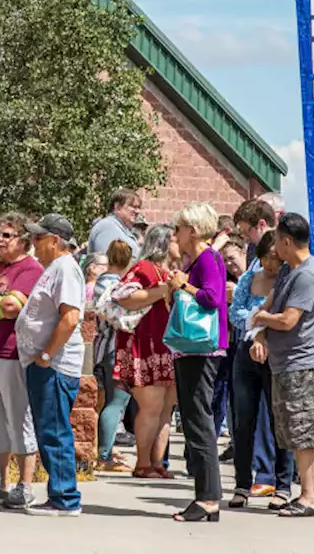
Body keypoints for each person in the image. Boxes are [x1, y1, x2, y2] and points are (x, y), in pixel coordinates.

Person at [251, 213, 314, 517]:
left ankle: (310, 495)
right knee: (290, 430)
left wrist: (260, 319)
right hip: (284, 365)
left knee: (302, 428)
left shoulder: (307, 275)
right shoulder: (288, 272)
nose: (273, 251)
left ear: (286, 241)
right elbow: (271, 303)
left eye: (277, 244)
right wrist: (261, 328)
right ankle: (306, 493)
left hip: (301, 365)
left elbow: (288, 319)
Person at [16, 214, 87, 516]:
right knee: (48, 430)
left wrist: (46, 355)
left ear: (55, 241)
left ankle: (64, 498)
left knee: (54, 431)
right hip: (46, 365)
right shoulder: (55, 268)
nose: (33, 243)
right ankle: (59, 494)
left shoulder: (66, 269)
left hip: (54, 366)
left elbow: (70, 317)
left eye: (38, 238)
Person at [167, 204, 228, 522]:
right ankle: (207, 497)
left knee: (199, 422)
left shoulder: (207, 258)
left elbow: (212, 297)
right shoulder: (204, 257)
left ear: (192, 229)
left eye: (178, 228)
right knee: (195, 420)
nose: (175, 234)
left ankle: (207, 498)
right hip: (195, 350)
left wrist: (182, 285)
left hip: (202, 350)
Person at [228, 231, 294, 510]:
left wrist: (260, 327)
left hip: (276, 355)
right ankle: (242, 483)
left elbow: (285, 317)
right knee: (243, 420)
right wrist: (258, 325)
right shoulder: (249, 279)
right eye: (266, 258)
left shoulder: (288, 282)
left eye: (275, 259)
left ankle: (282, 484)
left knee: (280, 421)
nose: (270, 265)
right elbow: (235, 312)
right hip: (246, 353)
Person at [0, 212, 44, 509]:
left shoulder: (30, 269)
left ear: (23, 240)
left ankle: (25, 484)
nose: (0, 240)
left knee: (18, 416)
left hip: (13, 353)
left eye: (7, 235)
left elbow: (12, 307)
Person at [112, 224, 177, 478]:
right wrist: (161, 291)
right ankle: (143, 463)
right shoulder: (145, 268)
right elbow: (123, 296)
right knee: (151, 407)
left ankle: (158, 463)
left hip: (167, 347)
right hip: (145, 346)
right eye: (173, 238)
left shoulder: (171, 271)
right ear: (162, 243)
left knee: (165, 410)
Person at [93, 240, 135, 472]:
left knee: (107, 400)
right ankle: (105, 456)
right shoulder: (122, 286)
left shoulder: (101, 282)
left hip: (102, 346)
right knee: (117, 402)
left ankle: (104, 449)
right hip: (117, 347)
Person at [87, 188, 143, 258]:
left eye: (139, 207)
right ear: (118, 207)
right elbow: (108, 263)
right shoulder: (106, 227)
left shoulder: (122, 229)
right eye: (134, 207)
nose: (138, 211)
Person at [233, 198, 277, 268]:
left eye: (247, 232)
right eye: (242, 233)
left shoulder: (280, 249)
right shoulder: (252, 248)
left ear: (262, 224)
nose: (245, 238)